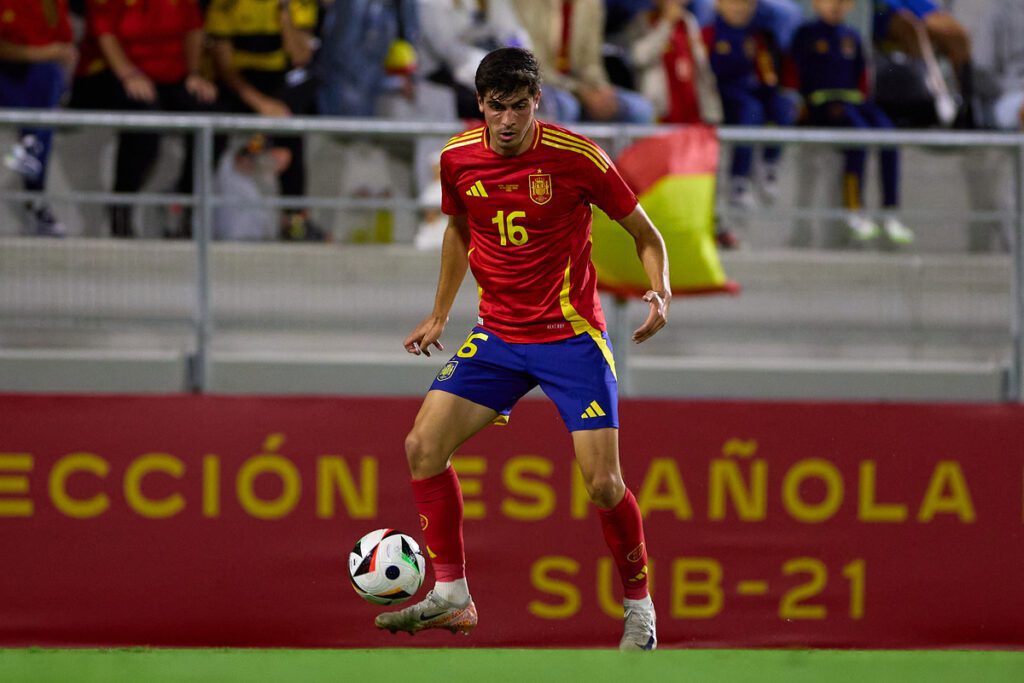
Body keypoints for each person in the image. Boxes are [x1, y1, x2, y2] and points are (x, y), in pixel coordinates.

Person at [374, 47, 668, 651]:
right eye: (496, 107)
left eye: (519, 107)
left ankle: (640, 607)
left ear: (539, 102)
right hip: (498, 336)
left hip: (570, 338)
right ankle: (452, 592)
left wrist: (659, 290)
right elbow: (459, 229)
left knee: (603, 485)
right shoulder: (457, 158)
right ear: (481, 104)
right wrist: (439, 314)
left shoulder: (576, 156)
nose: (507, 121)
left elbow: (646, 234)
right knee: (421, 446)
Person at [71, 0, 218, 238]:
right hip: (112, 75)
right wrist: (129, 75)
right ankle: (122, 207)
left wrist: (193, 73)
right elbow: (105, 35)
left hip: (169, 77)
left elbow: (193, 30)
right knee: (145, 119)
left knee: (212, 116)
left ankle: (185, 202)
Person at [788, 0, 914, 245]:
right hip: (823, 103)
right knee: (858, 136)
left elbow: (862, 78)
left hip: (853, 101)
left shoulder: (852, 37)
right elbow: (795, 75)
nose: (835, 5)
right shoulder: (806, 35)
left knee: (889, 135)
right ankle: (854, 209)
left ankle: (890, 211)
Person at [206, 0, 324, 241]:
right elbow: (225, 68)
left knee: (304, 93)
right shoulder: (225, 5)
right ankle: (193, 214)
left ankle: (294, 220)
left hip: (279, 87)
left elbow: (300, 56)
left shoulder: (296, 4)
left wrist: (284, 15)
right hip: (239, 85)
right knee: (214, 122)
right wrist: (261, 104)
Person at [703, 0, 795, 209]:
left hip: (752, 90)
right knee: (751, 110)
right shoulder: (709, 33)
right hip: (724, 95)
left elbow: (768, 74)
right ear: (719, 4)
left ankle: (770, 163)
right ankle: (739, 178)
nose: (740, 8)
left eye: (746, 4)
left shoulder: (758, 36)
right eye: (734, 3)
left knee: (784, 104)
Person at [0, 0, 77, 237]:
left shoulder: (53, 3)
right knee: (44, 104)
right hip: (6, 75)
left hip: (34, 81)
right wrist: (44, 53)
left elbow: (65, 44)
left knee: (49, 78)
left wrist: (61, 58)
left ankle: (29, 158)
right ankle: (33, 186)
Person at [512, 0, 654, 123]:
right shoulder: (530, 3)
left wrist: (601, 89)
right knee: (567, 106)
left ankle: (600, 155)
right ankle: (553, 154)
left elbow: (591, 61)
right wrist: (580, 91)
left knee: (640, 110)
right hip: (540, 83)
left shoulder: (591, 4)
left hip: (580, 86)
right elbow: (533, 63)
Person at [417, 0, 531, 120]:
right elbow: (444, 47)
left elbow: (512, 33)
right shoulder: (431, 4)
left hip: (487, 70)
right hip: (444, 79)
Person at [623, 0, 723, 126]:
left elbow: (702, 68)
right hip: (661, 110)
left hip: (692, 107)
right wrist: (665, 24)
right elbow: (638, 57)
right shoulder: (642, 21)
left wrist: (712, 109)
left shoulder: (689, 22)